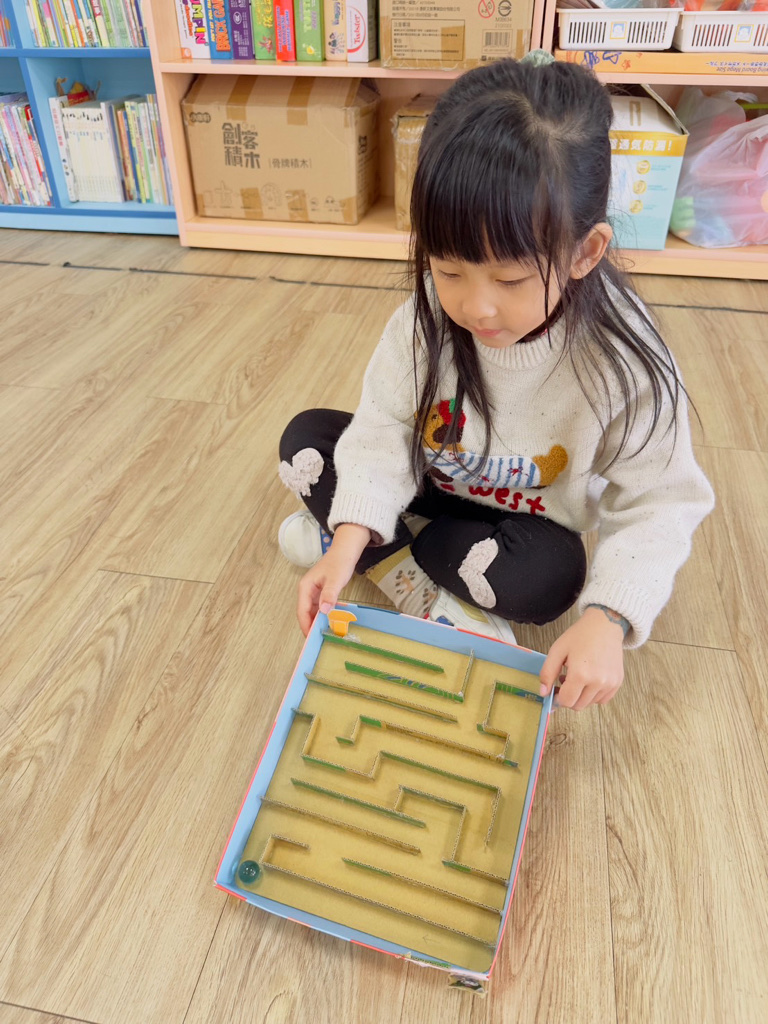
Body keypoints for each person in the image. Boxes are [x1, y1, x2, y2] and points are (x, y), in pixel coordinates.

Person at [276, 53, 714, 711]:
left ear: (585, 252)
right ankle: (399, 568)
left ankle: (388, 548)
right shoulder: (425, 319)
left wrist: (609, 620)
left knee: (552, 582)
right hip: (433, 481)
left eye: (510, 279)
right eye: (449, 270)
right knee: (307, 441)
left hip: (525, 523)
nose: (476, 307)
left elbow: (661, 500)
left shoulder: (623, 358)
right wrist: (346, 543)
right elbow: (384, 428)